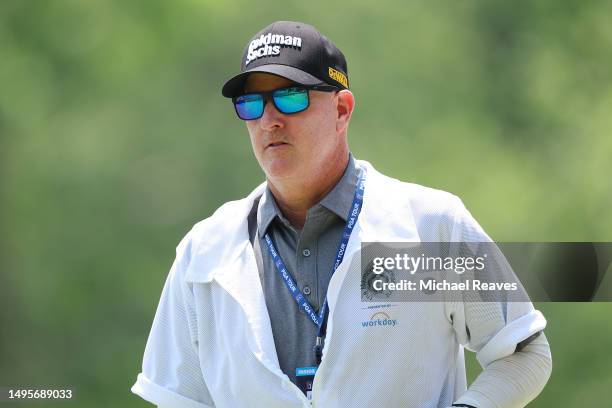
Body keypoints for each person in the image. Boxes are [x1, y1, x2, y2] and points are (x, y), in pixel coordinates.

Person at [131, 21, 552, 408]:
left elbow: (525, 352)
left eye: (290, 97)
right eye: (251, 104)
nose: (270, 120)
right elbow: (177, 398)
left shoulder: (427, 224)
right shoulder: (204, 252)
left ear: (342, 110)